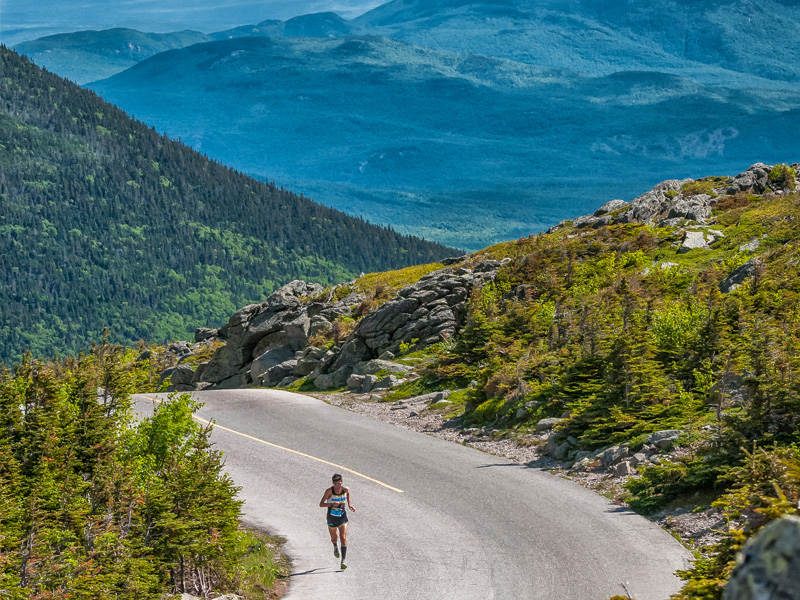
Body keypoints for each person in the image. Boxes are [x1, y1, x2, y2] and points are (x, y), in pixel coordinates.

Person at [320, 473, 355, 570]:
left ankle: (343, 561)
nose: (338, 487)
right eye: (336, 485)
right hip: (331, 518)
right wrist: (331, 504)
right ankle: (335, 546)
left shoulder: (345, 489)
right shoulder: (329, 491)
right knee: (334, 538)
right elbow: (321, 504)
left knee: (343, 537)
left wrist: (349, 505)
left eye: (340, 484)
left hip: (342, 517)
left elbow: (347, 494)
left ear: (342, 483)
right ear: (333, 484)